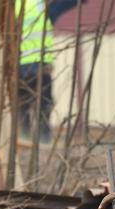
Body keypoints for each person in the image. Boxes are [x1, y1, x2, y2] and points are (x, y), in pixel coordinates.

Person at [15, 0, 81, 143]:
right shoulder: (43, 7)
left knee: (21, 111)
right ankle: (44, 144)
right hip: (41, 70)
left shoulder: (8, 9)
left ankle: (23, 140)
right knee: (43, 111)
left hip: (18, 72)